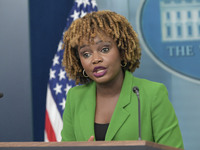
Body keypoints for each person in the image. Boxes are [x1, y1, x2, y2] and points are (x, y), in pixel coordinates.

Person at [61, 10, 184, 149]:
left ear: (122, 50)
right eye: (86, 54)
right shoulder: (75, 98)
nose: (96, 59)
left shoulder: (152, 94)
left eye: (105, 49)